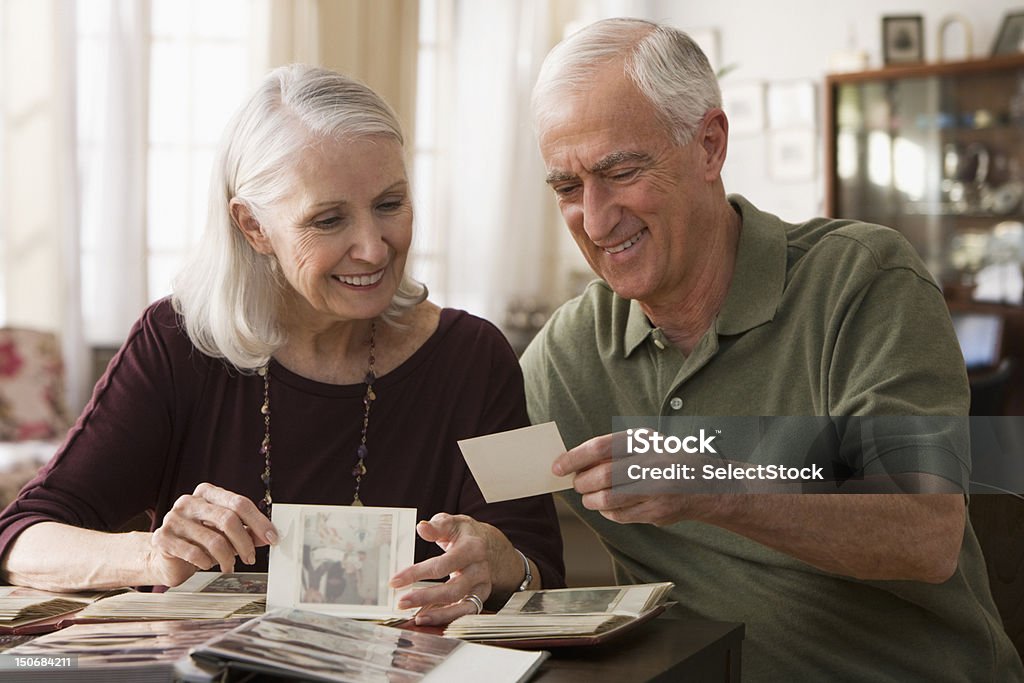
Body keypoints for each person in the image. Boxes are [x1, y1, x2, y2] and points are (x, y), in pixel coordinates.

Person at [520, 17, 1023, 681]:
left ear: (709, 145)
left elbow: (927, 533)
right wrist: (486, 554)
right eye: (566, 187)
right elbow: (483, 490)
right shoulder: (569, 350)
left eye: (620, 170)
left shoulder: (863, 280)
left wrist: (711, 483)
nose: (595, 216)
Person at [0, 64, 563, 626]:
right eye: (328, 219)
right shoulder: (175, 344)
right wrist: (151, 556)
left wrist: (502, 562)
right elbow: (21, 538)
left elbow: (543, 563)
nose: (372, 247)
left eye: (390, 204)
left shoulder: (480, 355)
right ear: (253, 226)